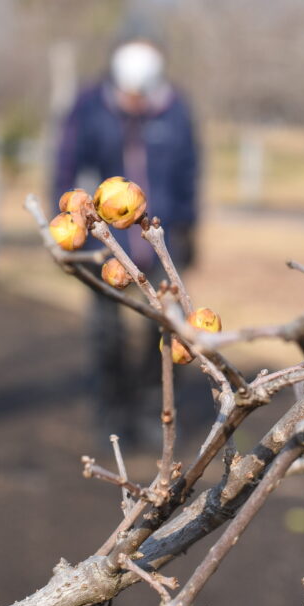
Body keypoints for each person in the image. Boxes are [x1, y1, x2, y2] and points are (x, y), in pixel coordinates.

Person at [54, 38, 199, 446]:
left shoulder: (175, 110)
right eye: (128, 92)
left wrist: (190, 229)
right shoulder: (89, 107)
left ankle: (157, 409)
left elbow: (189, 171)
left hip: (160, 238)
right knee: (105, 332)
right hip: (104, 244)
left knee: (169, 328)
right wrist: (71, 227)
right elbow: (66, 165)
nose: (135, 100)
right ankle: (110, 413)